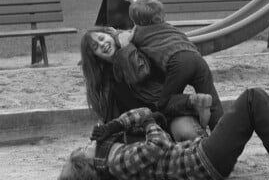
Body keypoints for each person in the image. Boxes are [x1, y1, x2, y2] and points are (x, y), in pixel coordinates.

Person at [58, 88, 269, 180]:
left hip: (203, 155)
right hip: (204, 160)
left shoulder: (118, 154)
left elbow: (143, 113)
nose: (88, 144)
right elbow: (158, 144)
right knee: (251, 98)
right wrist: (151, 121)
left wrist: (116, 124)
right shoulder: (117, 163)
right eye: (83, 149)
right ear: (88, 162)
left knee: (252, 100)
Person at [80, 27, 223, 142]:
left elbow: (140, 73)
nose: (102, 44)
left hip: (169, 113)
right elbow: (112, 114)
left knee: (189, 135)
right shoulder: (108, 79)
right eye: (95, 47)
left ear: (110, 34)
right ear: (95, 56)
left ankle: (195, 111)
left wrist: (126, 47)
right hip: (144, 125)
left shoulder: (137, 48)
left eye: (101, 38)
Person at [126, 0, 222, 129]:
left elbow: (127, 43)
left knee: (164, 103)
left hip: (178, 62)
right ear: (161, 16)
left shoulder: (139, 34)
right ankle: (221, 133)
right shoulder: (170, 27)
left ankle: (194, 101)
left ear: (137, 22)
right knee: (213, 102)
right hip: (197, 58)